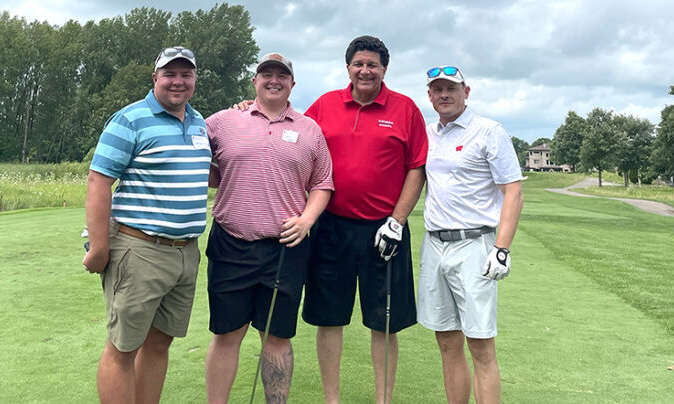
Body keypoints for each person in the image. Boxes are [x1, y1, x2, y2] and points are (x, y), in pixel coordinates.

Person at [301, 35, 428, 404]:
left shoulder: (404, 109)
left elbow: (416, 167)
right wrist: (250, 107)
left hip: (385, 231)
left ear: (384, 69)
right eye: (358, 64)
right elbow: (290, 135)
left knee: (384, 323)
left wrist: (398, 221)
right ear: (348, 68)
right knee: (329, 319)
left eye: (372, 64)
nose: (365, 70)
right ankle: (332, 400)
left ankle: (382, 401)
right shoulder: (325, 105)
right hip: (331, 228)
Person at [82, 46, 211, 404]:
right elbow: (98, 181)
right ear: (155, 77)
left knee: (159, 342)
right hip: (139, 250)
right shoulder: (130, 119)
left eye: (186, 74)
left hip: (185, 252)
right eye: (170, 74)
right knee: (122, 348)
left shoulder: (199, 122)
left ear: (195, 79)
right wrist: (99, 248)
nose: (178, 81)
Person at [203, 53, 334, 404]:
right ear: (254, 81)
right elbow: (195, 155)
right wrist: (219, 175)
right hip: (231, 243)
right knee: (227, 334)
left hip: (284, 248)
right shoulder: (223, 121)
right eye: (266, 74)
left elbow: (323, 183)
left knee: (276, 336)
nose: (273, 80)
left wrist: (306, 220)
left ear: (292, 84)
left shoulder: (309, 129)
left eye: (281, 75)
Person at [417, 65, 524, 404]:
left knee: (480, 345)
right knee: (447, 341)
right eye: (437, 89)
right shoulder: (428, 134)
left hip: (475, 244)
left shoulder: (489, 131)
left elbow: (513, 191)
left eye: (451, 88)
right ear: (430, 95)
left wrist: (502, 247)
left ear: (466, 92)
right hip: (434, 244)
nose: (444, 94)